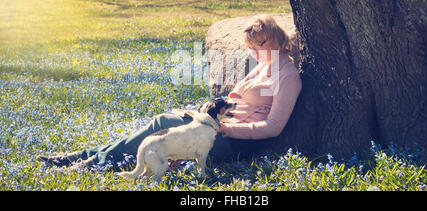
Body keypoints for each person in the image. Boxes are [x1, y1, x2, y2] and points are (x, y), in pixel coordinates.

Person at [37, 15, 302, 172]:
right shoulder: (264, 65)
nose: (255, 53)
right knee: (162, 122)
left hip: (233, 141)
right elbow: (233, 100)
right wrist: (205, 111)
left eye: (260, 44)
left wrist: (229, 131)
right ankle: (86, 156)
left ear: (276, 38)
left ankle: (94, 161)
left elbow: (273, 127)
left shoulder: (288, 77)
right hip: (218, 126)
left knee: (162, 123)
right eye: (251, 48)